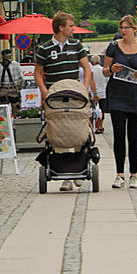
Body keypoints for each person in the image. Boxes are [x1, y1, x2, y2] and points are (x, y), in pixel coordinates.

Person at [35, 11, 92, 191]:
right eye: (70, 26)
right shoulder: (44, 48)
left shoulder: (76, 45)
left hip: (75, 96)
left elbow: (87, 68)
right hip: (55, 98)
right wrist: (44, 91)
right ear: (61, 28)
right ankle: (64, 174)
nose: (73, 29)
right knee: (58, 132)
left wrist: (84, 88)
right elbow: (38, 72)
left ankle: (78, 166)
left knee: (77, 131)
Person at [102, 15, 137, 190]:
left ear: (134, 29)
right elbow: (104, 71)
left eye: (126, 28)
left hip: (136, 95)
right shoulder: (113, 47)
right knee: (118, 136)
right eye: (121, 28)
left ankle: (134, 174)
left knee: (133, 136)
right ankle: (119, 174)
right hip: (118, 95)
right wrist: (111, 69)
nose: (123, 31)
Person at [90, 54, 107, 133]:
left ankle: (91, 126)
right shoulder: (103, 70)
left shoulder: (90, 70)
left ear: (92, 62)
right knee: (102, 111)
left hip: (92, 93)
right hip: (103, 93)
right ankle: (100, 126)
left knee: (90, 110)